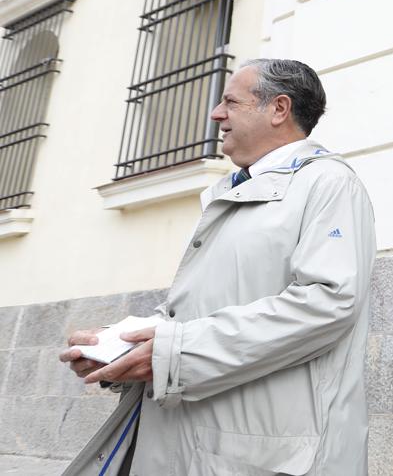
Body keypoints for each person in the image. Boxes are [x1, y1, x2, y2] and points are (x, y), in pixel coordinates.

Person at [59, 59, 376, 475]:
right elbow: (197, 310)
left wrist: (174, 353)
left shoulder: (329, 184)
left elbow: (328, 303)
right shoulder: (232, 191)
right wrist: (120, 348)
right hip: (196, 437)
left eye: (230, 101)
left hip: (266, 449)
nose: (216, 113)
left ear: (279, 109)